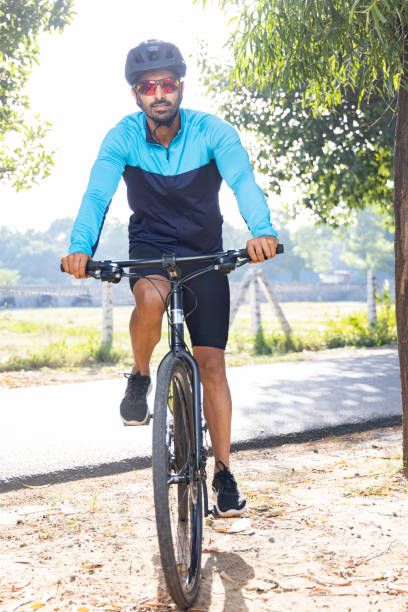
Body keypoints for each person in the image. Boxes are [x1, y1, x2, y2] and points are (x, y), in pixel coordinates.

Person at [61, 39, 278, 518]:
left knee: (212, 365)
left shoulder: (212, 131)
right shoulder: (122, 137)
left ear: (180, 86)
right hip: (151, 248)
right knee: (151, 299)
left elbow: (243, 180)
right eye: (147, 86)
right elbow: (97, 194)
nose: (158, 93)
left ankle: (223, 471)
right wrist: (81, 248)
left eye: (167, 84)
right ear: (135, 95)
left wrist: (261, 232)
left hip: (204, 252)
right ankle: (141, 375)